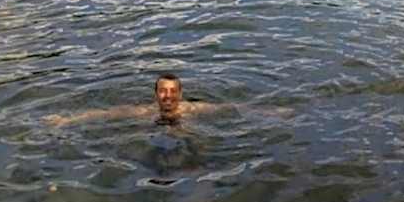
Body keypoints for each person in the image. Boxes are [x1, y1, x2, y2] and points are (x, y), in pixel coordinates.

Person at [44, 74, 292, 127]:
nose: (168, 95)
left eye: (173, 91)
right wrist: (66, 120)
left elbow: (233, 108)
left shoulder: (193, 109)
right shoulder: (143, 112)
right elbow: (105, 114)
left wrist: (271, 112)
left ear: (180, 94)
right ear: (156, 95)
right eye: (163, 91)